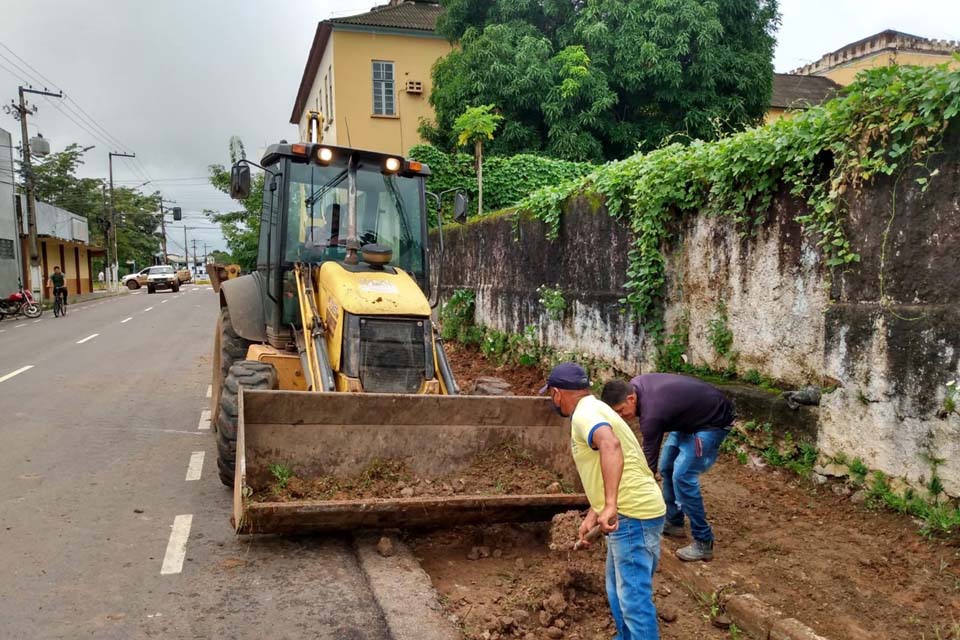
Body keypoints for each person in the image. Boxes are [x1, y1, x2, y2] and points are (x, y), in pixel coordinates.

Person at [543, 362, 666, 639]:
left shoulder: (584, 413)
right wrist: (595, 511)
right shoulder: (595, 408)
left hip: (633, 515)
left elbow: (610, 445)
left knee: (633, 598)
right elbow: (604, 463)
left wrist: (610, 505)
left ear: (556, 393)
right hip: (630, 512)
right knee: (616, 589)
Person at [601, 374, 734, 562]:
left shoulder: (652, 413)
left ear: (631, 399)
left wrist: (631, 496)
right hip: (687, 419)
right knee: (667, 468)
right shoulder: (635, 388)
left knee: (683, 477)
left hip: (713, 421)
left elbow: (648, 463)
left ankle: (703, 541)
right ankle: (674, 522)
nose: (621, 417)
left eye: (621, 411)